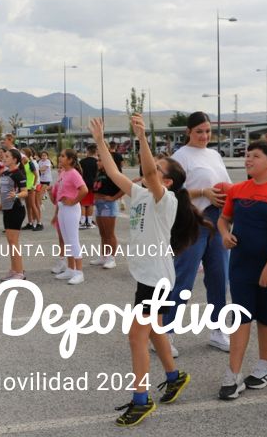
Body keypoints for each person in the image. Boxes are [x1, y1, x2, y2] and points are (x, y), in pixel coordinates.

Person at [90, 116, 196, 427]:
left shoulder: (167, 200)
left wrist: (142, 138)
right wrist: (100, 141)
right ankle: (174, 377)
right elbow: (112, 172)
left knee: (136, 336)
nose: (150, 171)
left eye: (159, 171)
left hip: (157, 279)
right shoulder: (139, 195)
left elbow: (149, 171)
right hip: (148, 276)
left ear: (168, 182)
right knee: (154, 329)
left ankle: (141, 399)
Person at [217, 141, 267, 400]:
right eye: (247, 155)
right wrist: (223, 235)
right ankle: (233, 375)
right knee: (240, 317)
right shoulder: (237, 190)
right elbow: (224, 219)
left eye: (255, 156)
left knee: (266, 318)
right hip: (241, 266)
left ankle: (265, 367)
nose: (248, 159)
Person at [166, 112, 232, 356]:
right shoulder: (179, 157)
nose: (204, 136)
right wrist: (204, 191)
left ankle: (217, 330)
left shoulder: (214, 155)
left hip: (216, 221)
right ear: (188, 132)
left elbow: (226, 185)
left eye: (207, 131)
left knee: (219, 277)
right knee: (183, 279)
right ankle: (165, 332)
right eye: (199, 132)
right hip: (191, 221)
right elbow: (171, 193)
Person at [49, 148, 88, 284]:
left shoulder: (73, 173)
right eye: (60, 155)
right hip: (62, 208)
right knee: (66, 240)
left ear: (70, 159)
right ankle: (71, 269)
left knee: (73, 240)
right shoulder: (63, 173)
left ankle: (79, 272)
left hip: (71, 209)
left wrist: (73, 201)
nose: (60, 158)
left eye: (63, 156)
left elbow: (84, 190)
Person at [0, 148, 29, 281]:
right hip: (7, 210)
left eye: (7, 156)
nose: (4, 157)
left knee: (14, 242)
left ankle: (19, 273)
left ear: (15, 159)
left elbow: (25, 192)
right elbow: (4, 193)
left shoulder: (18, 174)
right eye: (4, 156)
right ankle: (14, 270)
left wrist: (16, 195)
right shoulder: (5, 173)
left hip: (16, 210)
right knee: (11, 242)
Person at [89, 155, 123, 269]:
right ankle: (103, 256)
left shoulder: (112, 173)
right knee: (103, 233)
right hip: (99, 205)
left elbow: (124, 187)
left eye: (100, 160)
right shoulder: (99, 173)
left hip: (108, 205)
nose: (97, 162)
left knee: (109, 234)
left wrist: (113, 198)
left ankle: (111, 258)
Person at [21, 147, 43, 231]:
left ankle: (39, 223)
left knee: (33, 205)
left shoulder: (31, 163)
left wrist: (34, 186)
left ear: (27, 155)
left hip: (31, 187)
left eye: (23, 153)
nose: (21, 155)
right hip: (26, 187)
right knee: (28, 206)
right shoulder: (24, 164)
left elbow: (36, 175)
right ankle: (30, 223)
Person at [79, 144, 99, 229]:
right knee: (90, 203)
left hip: (83, 184)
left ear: (88, 151)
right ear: (95, 151)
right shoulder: (97, 162)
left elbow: (80, 173)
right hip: (93, 184)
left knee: (83, 203)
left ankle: (82, 221)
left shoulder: (82, 162)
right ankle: (89, 221)